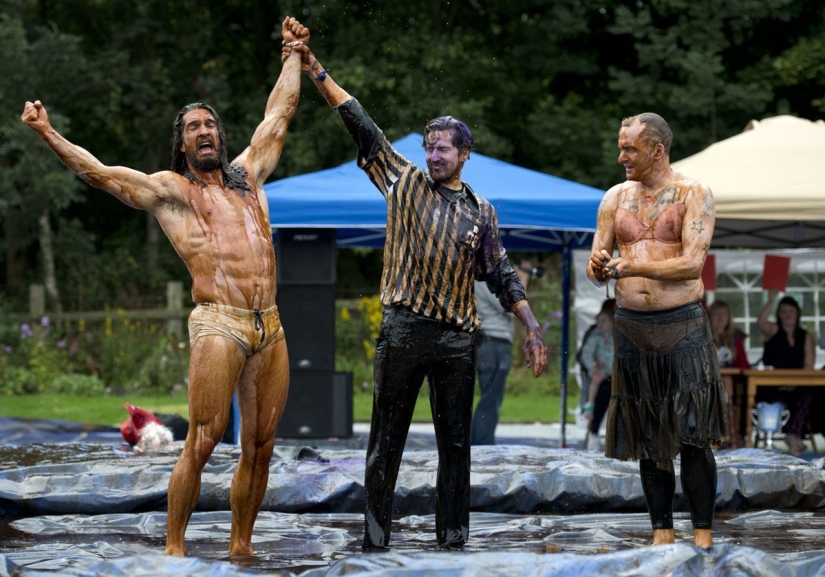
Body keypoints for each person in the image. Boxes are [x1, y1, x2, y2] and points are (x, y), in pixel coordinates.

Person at [22, 17, 310, 556]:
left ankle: (240, 545)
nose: (205, 131)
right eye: (193, 127)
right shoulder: (171, 191)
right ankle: (174, 548)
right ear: (181, 143)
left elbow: (279, 114)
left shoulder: (250, 176)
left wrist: (293, 53)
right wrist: (46, 132)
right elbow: (101, 174)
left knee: (262, 446)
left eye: (210, 124)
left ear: (220, 136)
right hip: (218, 321)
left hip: (269, 325)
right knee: (201, 441)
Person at [282, 23, 547, 551]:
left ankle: (453, 541)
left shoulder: (481, 211)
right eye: (429, 146)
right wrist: (315, 69)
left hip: (456, 341)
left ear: (465, 154)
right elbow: (362, 126)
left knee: (457, 447)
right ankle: (375, 543)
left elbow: (502, 274)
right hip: (403, 330)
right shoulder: (402, 181)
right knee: (386, 443)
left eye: (444, 148)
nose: (433, 154)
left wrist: (533, 328)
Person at [586, 112, 728, 549]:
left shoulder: (693, 192)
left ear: (657, 150)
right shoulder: (614, 198)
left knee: (692, 434)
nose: (621, 156)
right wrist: (597, 267)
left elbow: (691, 263)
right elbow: (599, 260)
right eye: (621, 145)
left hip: (681, 323)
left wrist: (633, 265)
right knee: (649, 437)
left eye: (629, 148)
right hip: (632, 328)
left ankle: (702, 535)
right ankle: (661, 534)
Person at [470, 261, 533, 446]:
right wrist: (522, 279)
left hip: (483, 341)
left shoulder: (474, 275)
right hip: (495, 345)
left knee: (485, 399)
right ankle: (481, 446)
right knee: (490, 401)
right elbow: (514, 305)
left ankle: (474, 443)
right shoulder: (489, 278)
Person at [755, 289, 815, 456]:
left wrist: (794, 383)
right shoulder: (773, 330)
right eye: (783, 311)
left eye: (791, 311)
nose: (787, 314)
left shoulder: (806, 336)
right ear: (778, 314)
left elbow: (808, 365)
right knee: (779, 398)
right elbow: (760, 322)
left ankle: (792, 436)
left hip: (798, 385)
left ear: (797, 313)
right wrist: (771, 300)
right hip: (772, 386)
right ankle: (794, 440)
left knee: (806, 396)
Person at [707, 300, 750, 448]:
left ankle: (731, 437)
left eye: (724, 315)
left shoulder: (736, 338)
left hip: (729, 384)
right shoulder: (701, 336)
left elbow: (743, 365)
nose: (720, 318)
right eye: (716, 314)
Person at [580, 299, 617, 447]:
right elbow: (584, 353)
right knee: (603, 391)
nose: (600, 324)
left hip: (614, 374)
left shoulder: (618, 335)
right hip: (601, 376)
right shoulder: (595, 334)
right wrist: (592, 366)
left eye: (604, 321)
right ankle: (593, 428)